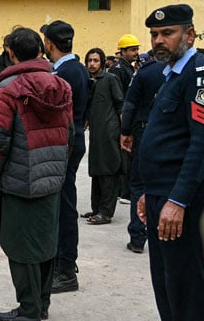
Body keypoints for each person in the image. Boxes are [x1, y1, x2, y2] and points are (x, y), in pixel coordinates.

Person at [0, 26, 73, 321]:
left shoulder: (7, 90)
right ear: (40, 51)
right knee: (46, 244)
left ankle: (29, 309)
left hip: (20, 181)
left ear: (10, 53)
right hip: (52, 179)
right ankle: (42, 305)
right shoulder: (61, 85)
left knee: (20, 249)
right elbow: (69, 133)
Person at [137, 4, 204, 320]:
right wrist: (149, 193)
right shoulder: (171, 75)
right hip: (159, 196)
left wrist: (177, 199)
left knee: (186, 289)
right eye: (154, 34)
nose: (158, 40)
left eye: (168, 33)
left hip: (181, 202)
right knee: (165, 285)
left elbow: (201, 144)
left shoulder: (198, 74)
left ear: (189, 35)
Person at [40, 20, 90, 294]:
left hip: (66, 146)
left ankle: (66, 268)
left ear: (49, 43)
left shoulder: (65, 73)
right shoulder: (76, 68)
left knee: (64, 208)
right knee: (63, 205)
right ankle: (65, 261)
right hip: (72, 142)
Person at [120, 52, 164, 254]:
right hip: (176, 133)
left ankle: (138, 237)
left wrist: (125, 132)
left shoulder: (145, 73)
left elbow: (129, 106)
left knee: (138, 183)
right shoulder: (187, 70)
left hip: (145, 131)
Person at [82, 48, 124, 225]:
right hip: (96, 133)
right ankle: (97, 207)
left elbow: (120, 104)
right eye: (90, 60)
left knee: (108, 169)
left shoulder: (110, 79)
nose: (92, 64)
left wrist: (123, 131)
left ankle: (106, 212)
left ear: (102, 62)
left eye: (96, 60)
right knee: (97, 169)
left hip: (109, 131)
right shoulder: (89, 81)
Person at [111, 34, 140, 204]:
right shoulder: (118, 70)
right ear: (122, 51)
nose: (135, 52)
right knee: (125, 156)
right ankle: (123, 191)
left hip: (129, 116)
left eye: (136, 49)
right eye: (132, 49)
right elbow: (120, 97)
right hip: (122, 117)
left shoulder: (130, 68)